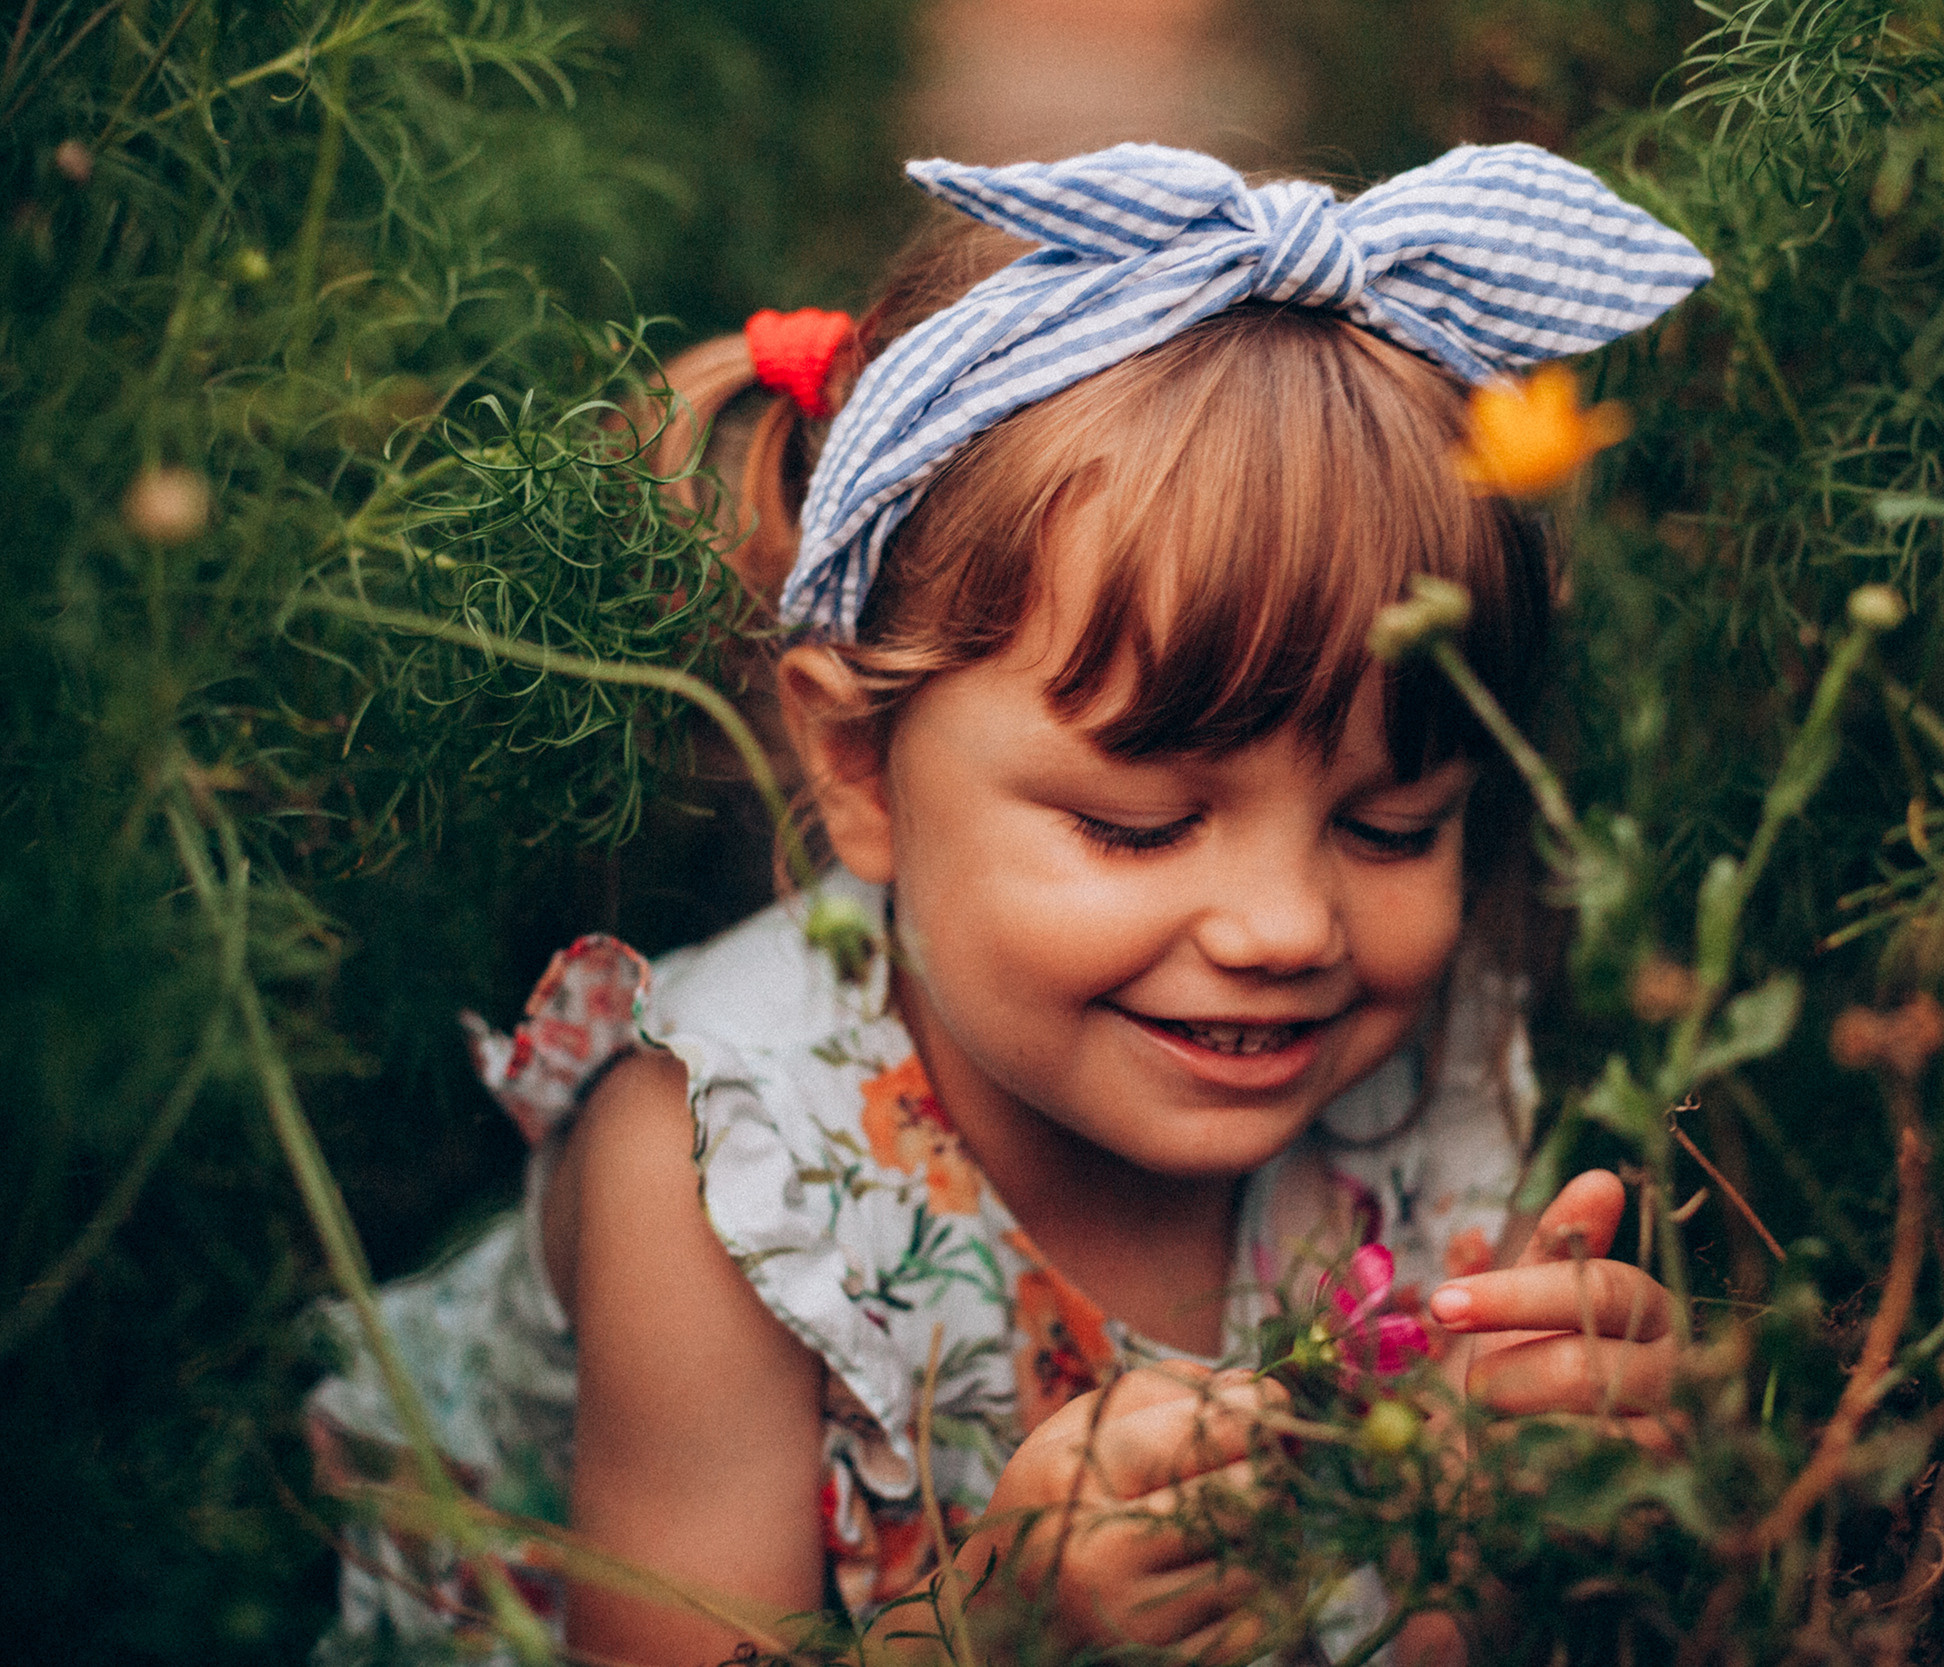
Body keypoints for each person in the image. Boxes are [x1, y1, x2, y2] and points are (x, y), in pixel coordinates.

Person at [306, 141, 1711, 1665]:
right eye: (1140, 825)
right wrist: (1002, 1623)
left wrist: (1516, 1485)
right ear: (857, 770)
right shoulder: (727, 1177)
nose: (1288, 928)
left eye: (1388, 828)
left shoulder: (1412, 1079)